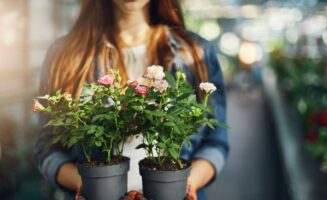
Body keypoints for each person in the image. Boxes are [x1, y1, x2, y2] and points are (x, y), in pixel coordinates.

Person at [34, 0, 229, 200]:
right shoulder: (66, 54)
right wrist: (88, 185)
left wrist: (186, 184)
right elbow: (47, 150)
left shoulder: (196, 52)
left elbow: (215, 144)